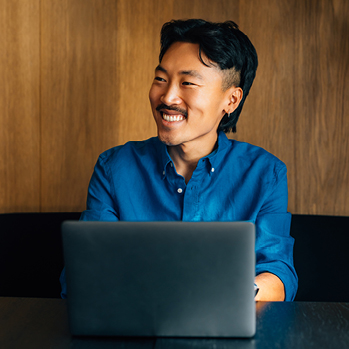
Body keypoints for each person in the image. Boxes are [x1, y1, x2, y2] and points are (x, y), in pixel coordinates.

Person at [60, 19, 298, 301]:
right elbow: (86, 271)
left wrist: (221, 298)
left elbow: (277, 273)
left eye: (188, 83)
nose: (168, 96)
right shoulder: (114, 168)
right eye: (161, 79)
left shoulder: (265, 173)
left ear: (231, 100)